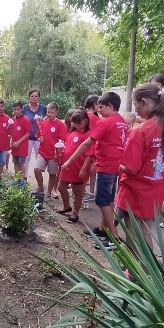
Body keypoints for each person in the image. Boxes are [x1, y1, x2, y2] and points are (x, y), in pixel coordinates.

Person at [116, 83, 164, 248]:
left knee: (134, 238)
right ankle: (144, 264)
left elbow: (130, 168)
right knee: (145, 232)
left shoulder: (142, 130)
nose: (136, 109)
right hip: (156, 190)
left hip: (135, 193)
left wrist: (119, 164)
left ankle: (136, 265)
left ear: (144, 101)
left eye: (136, 104)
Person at [62, 92, 128, 250]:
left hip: (106, 166)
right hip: (116, 165)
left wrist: (69, 161)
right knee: (108, 199)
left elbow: (87, 144)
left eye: (101, 108)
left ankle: (115, 238)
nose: (99, 111)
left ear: (110, 106)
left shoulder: (106, 122)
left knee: (102, 201)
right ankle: (102, 228)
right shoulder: (122, 122)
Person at [57, 109, 94, 223]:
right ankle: (66, 206)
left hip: (79, 166)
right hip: (67, 166)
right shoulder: (72, 133)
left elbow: (89, 154)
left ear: (85, 122)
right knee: (61, 187)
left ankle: (75, 214)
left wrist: (84, 168)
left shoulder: (88, 135)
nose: (75, 125)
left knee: (77, 192)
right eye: (74, 123)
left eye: (78, 123)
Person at [34, 102, 67, 200]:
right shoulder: (43, 123)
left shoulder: (60, 124)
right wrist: (39, 139)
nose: (49, 114)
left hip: (54, 154)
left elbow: (63, 140)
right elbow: (38, 135)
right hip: (42, 152)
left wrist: (59, 153)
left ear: (57, 113)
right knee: (37, 169)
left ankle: (49, 192)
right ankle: (41, 188)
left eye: (52, 112)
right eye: (48, 112)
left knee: (52, 174)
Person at [23, 89, 47, 179]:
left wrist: (43, 120)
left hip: (39, 138)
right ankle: (24, 178)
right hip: (27, 137)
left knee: (39, 158)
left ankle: (39, 179)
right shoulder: (25, 108)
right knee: (26, 158)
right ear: (29, 98)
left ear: (39, 97)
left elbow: (50, 116)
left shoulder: (43, 108)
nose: (34, 98)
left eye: (36, 96)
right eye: (32, 96)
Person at [84, 95, 100, 200]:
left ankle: (82, 191)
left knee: (85, 169)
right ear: (94, 104)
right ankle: (91, 192)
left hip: (83, 146)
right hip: (93, 146)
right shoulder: (97, 119)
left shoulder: (83, 115)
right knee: (92, 171)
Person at [10, 101, 32, 177]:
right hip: (14, 146)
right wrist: (10, 139)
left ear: (22, 109)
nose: (16, 111)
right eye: (14, 109)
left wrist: (18, 142)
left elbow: (28, 133)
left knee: (21, 163)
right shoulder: (12, 120)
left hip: (22, 146)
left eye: (18, 109)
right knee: (15, 163)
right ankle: (17, 179)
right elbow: (11, 132)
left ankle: (22, 180)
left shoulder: (26, 120)